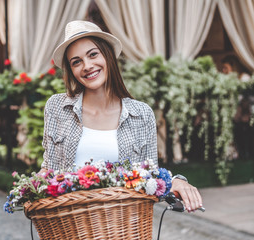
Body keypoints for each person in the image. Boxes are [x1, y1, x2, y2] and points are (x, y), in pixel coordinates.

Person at [40, 20, 202, 212]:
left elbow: (148, 177)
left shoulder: (141, 114)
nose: (87, 65)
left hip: (122, 225)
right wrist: (29, 190)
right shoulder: (57, 107)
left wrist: (176, 181)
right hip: (70, 224)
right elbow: (48, 170)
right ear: (72, 71)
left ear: (107, 56)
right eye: (77, 62)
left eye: (93, 55)